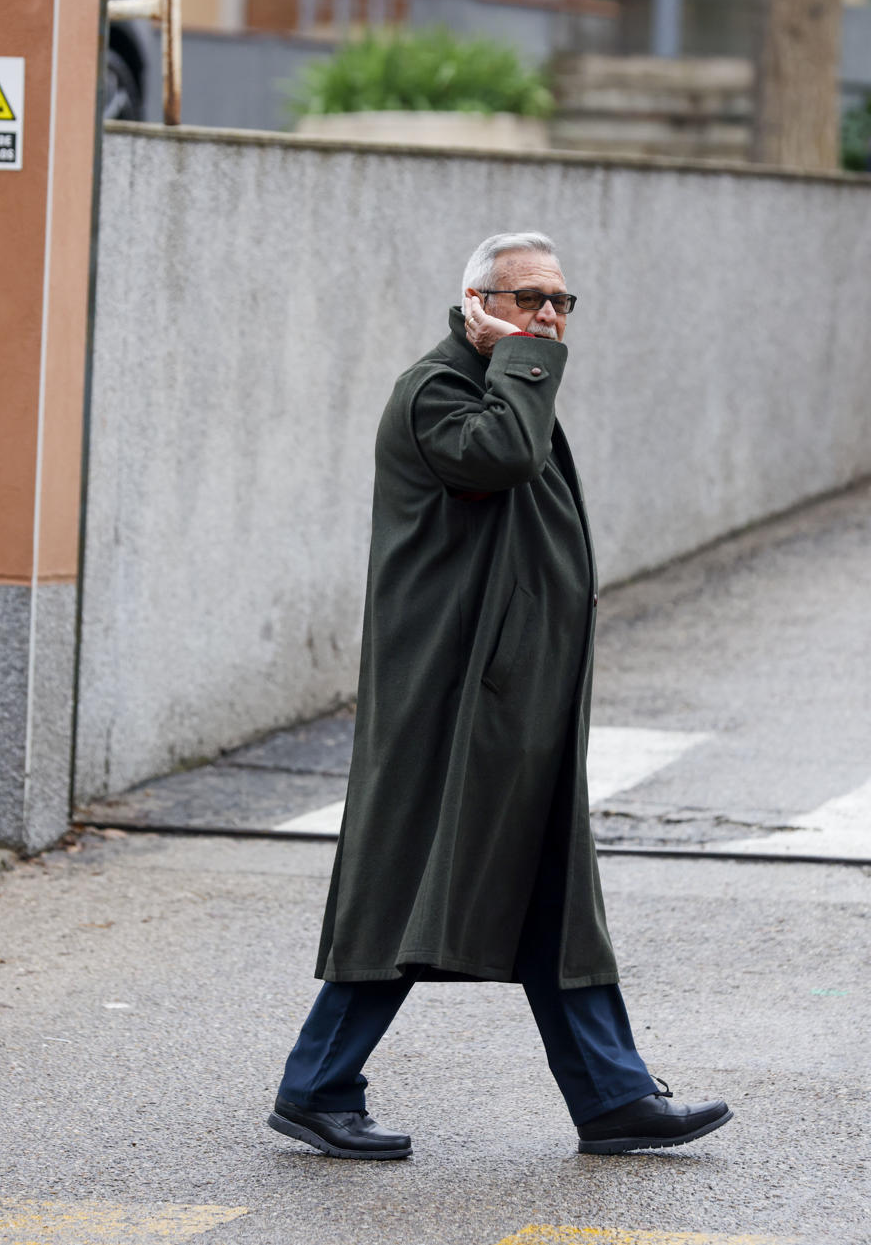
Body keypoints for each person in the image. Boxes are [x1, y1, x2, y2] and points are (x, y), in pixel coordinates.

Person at [265, 232, 732, 1160]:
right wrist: (521, 360)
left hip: (513, 699)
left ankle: (613, 1094)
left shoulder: (508, 383)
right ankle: (316, 1083)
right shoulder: (441, 392)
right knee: (411, 887)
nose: (549, 319)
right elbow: (504, 460)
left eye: (560, 302)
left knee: (551, 895)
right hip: (450, 704)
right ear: (476, 302)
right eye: (527, 301)